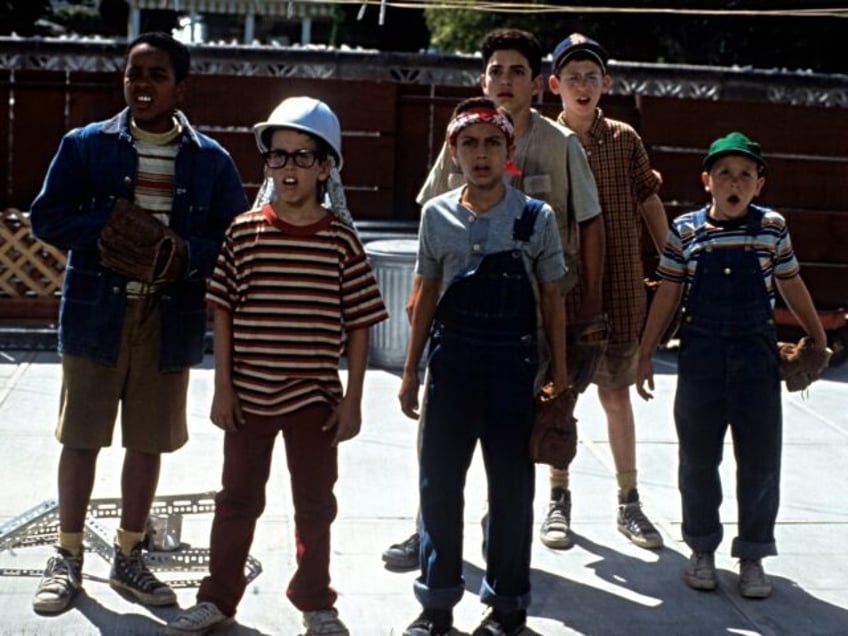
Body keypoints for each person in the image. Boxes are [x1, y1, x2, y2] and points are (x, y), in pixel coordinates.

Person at [28, 32, 247, 615]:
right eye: (133, 73)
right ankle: (67, 556)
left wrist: (179, 253)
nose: (141, 84)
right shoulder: (86, 146)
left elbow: (232, 240)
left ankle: (129, 555)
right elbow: (46, 217)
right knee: (81, 436)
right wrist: (110, 230)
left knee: (147, 440)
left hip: (167, 314)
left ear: (181, 86)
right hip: (97, 310)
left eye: (155, 75)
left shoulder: (211, 160)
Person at [165, 97, 388, 636]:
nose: (288, 168)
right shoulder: (244, 233)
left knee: (315, 505)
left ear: (326, 166)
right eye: (278, 156)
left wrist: (353, 398)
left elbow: (359, 323)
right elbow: (221, 310)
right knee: (237, 500)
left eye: (302, 157)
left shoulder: (340, 240)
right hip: (248, 397)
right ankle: (218, 597)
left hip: (315, 401)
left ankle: (315, 599)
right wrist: (223, 388)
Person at [382, 26, 603, 571]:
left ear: (536, 83)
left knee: (515, 443)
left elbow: (590, 224)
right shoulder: (462, 135)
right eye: (495, 70)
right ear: (483, 79)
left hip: (530, 322)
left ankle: (504, 551)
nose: (505, 80)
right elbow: (432, 220)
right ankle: (425, 530)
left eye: (517, 71)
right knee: (441, 436)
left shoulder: (561, 143)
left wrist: (590, 308)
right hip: (458, 323)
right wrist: (418, 298)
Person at [399, 97, 567, 636]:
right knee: (439, 486)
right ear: (453, 152)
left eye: (492, 142)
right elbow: (424, 293)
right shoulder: (436, 214)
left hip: (512, 369)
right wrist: (409, 370)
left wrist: (558, 372)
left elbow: (552, 299)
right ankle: (437, 605)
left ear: (508, 151)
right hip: (450, 367)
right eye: (469, 143)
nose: (481, 154)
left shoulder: (535, 217)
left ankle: (508, 608)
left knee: (512, 491)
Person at [636, 131, 829, 598]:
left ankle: (753, 556)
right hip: (700, 356)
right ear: (708, 181)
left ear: (759, 184)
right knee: (698, 459)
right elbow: (667, 293)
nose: (734, 182)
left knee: (760, 460)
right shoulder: (685, 231)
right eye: (724, 173)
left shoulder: (772, 228)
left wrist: (817, 336)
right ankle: (701, 549)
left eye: (745, 174)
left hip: (755, 357)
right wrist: (644, 353)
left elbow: (791, 282)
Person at [542, 33, 670, 550]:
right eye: (571, 76)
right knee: (559, 398)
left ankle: (628, 501)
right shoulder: (542, 141)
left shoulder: (625, 139)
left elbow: (649, 202)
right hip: (564, 294)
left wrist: (675, 261)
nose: (582, 85)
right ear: (554, 85)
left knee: (617, 395)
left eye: (591, 76)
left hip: (621, 292)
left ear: (606, 84)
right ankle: (558, 497)